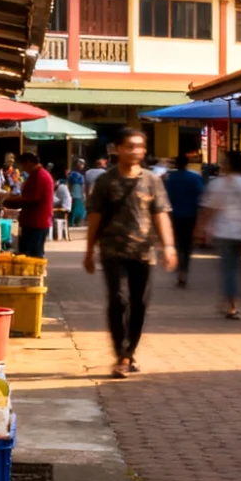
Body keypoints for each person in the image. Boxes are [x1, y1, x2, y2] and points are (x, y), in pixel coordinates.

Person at [84, 128, 176, 378]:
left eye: (139, 146)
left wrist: (168, 246)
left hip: (144, 253)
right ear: (117, 149)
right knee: (118, 300)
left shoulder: (152, 180)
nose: (135, 151)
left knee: (139, 304)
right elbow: (95, 218)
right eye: (129, 146)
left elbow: (161, 215)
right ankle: (121, 354)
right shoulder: (105, 181)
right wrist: (89, 250)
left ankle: (129, 352)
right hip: (113, 252)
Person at [196, 150, 241, 319]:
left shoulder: (217, 184)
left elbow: (209, 209)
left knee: (228, 269)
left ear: (228, 165)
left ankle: (231, 304)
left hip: (224, 231)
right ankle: (227, 298)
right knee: (233, 268)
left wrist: (200, 227)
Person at [0, 152, 55, 258]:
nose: (23, 168)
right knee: (29, 254)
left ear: (29, 162)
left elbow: (31, 200)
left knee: (32, 256)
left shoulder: (39, 176)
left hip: (36, 223)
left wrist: (9, 202)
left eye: (23, 165)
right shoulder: (36, 175)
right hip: (32, 222)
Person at [162, 153, 205, 288]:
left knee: (175, 243)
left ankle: (177, 268)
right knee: (187, 246)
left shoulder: (169, 179)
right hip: (190, 215)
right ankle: (183, 272)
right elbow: (201, 197)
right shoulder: (194, 177)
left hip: (172, 215)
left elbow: (164, 197)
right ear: (188, 163)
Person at [66, 158, 87, 226]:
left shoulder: (75, 174)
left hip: (78, 193)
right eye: (81, 164)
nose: (82, 165)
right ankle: (72, 222)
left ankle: (74, 222)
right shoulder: (74, 174)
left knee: (77, 209)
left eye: (83, 164)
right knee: (75, 209)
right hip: (76, 193)